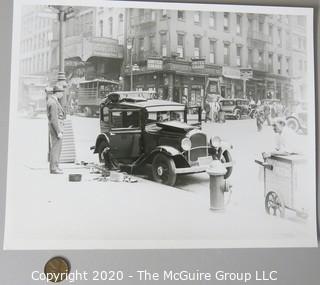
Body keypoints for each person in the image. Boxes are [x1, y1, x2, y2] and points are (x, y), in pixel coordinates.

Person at [47, 85, 65, 174]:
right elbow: (54, 119)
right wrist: (58, 131)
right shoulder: (53, 103)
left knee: (56, 148)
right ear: (57, 92)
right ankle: (54, 168)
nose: (62, 95)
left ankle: (56, 166)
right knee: (55, 148)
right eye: (61, 93)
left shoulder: (52, 100)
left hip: (55, 127)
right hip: (56, 128)